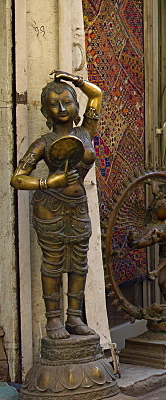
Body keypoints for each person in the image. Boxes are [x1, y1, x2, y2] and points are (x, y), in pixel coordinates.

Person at [10, 72, 101, 340]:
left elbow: (96, 95)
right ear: (46, 111)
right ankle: (53, 321)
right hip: (50, 206)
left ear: (75, 106)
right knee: (52, 263)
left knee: (79, 263)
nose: (62, 109)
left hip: (78, 205)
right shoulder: (43, 143)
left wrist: (75, 80)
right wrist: (48, 183)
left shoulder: (86, 132)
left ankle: (74, 317)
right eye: (54, 104)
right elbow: (17, 178)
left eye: (67, 102)